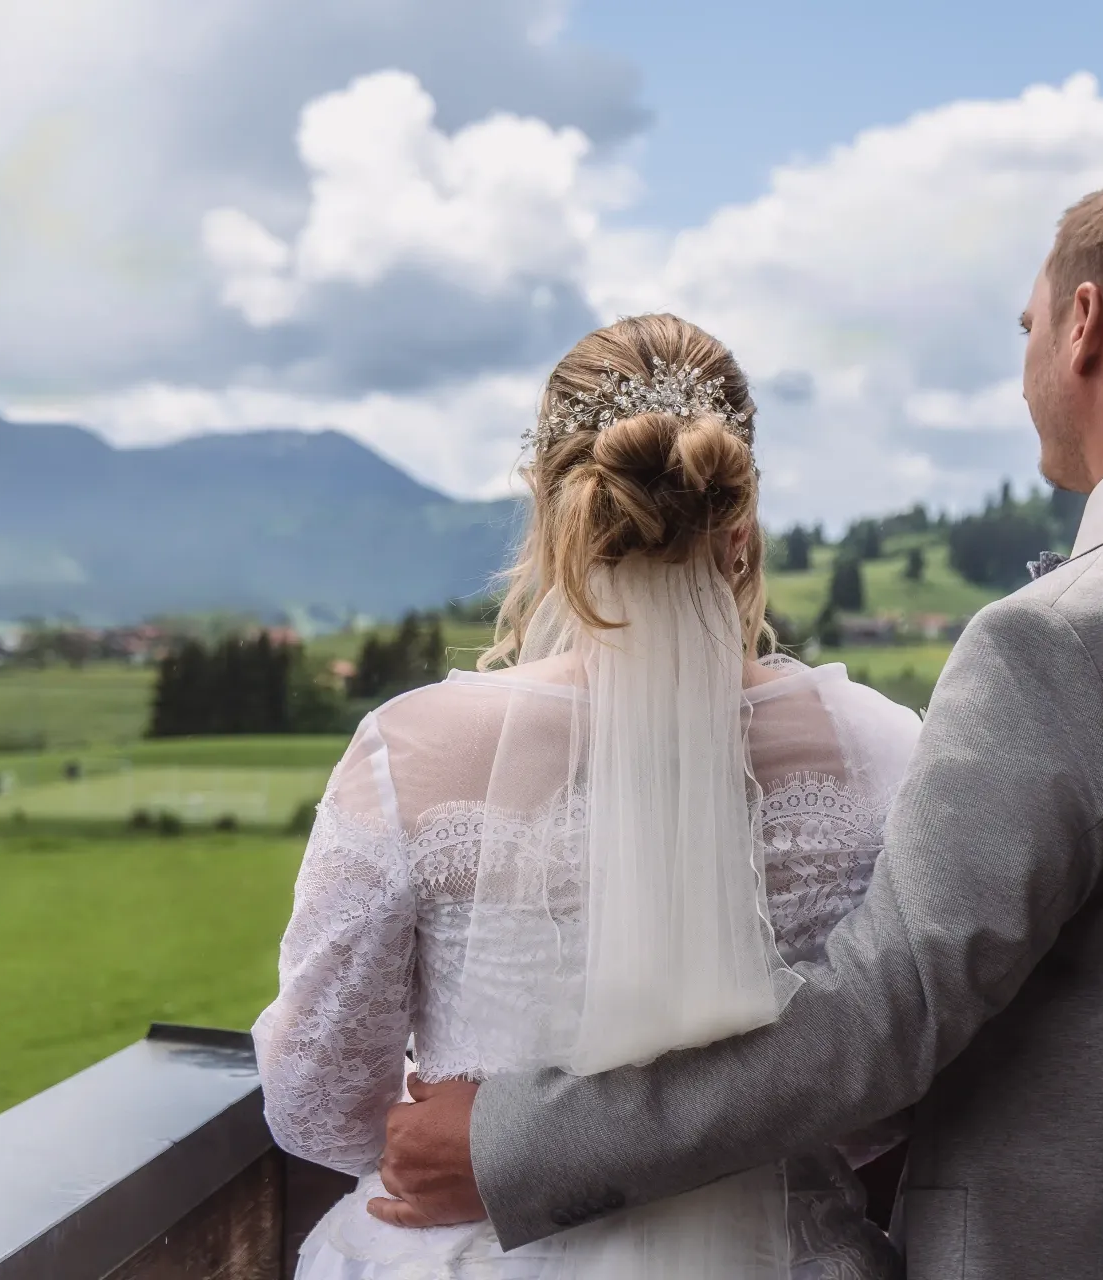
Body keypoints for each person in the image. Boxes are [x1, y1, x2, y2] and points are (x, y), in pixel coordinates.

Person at [367, 174, 1103, 1279]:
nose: (1022, 378)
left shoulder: (1058, 640)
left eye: (1025, 330)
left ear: (1084, 323)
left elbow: (876, 1027)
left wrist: (517, 1143)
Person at [252, 312, 922, 1278]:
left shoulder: (409, 750)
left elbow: (317, 1102)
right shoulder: (880, 749)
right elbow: (889, 1086)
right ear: (742, 512)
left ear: (550, 502)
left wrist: (487, 1146)